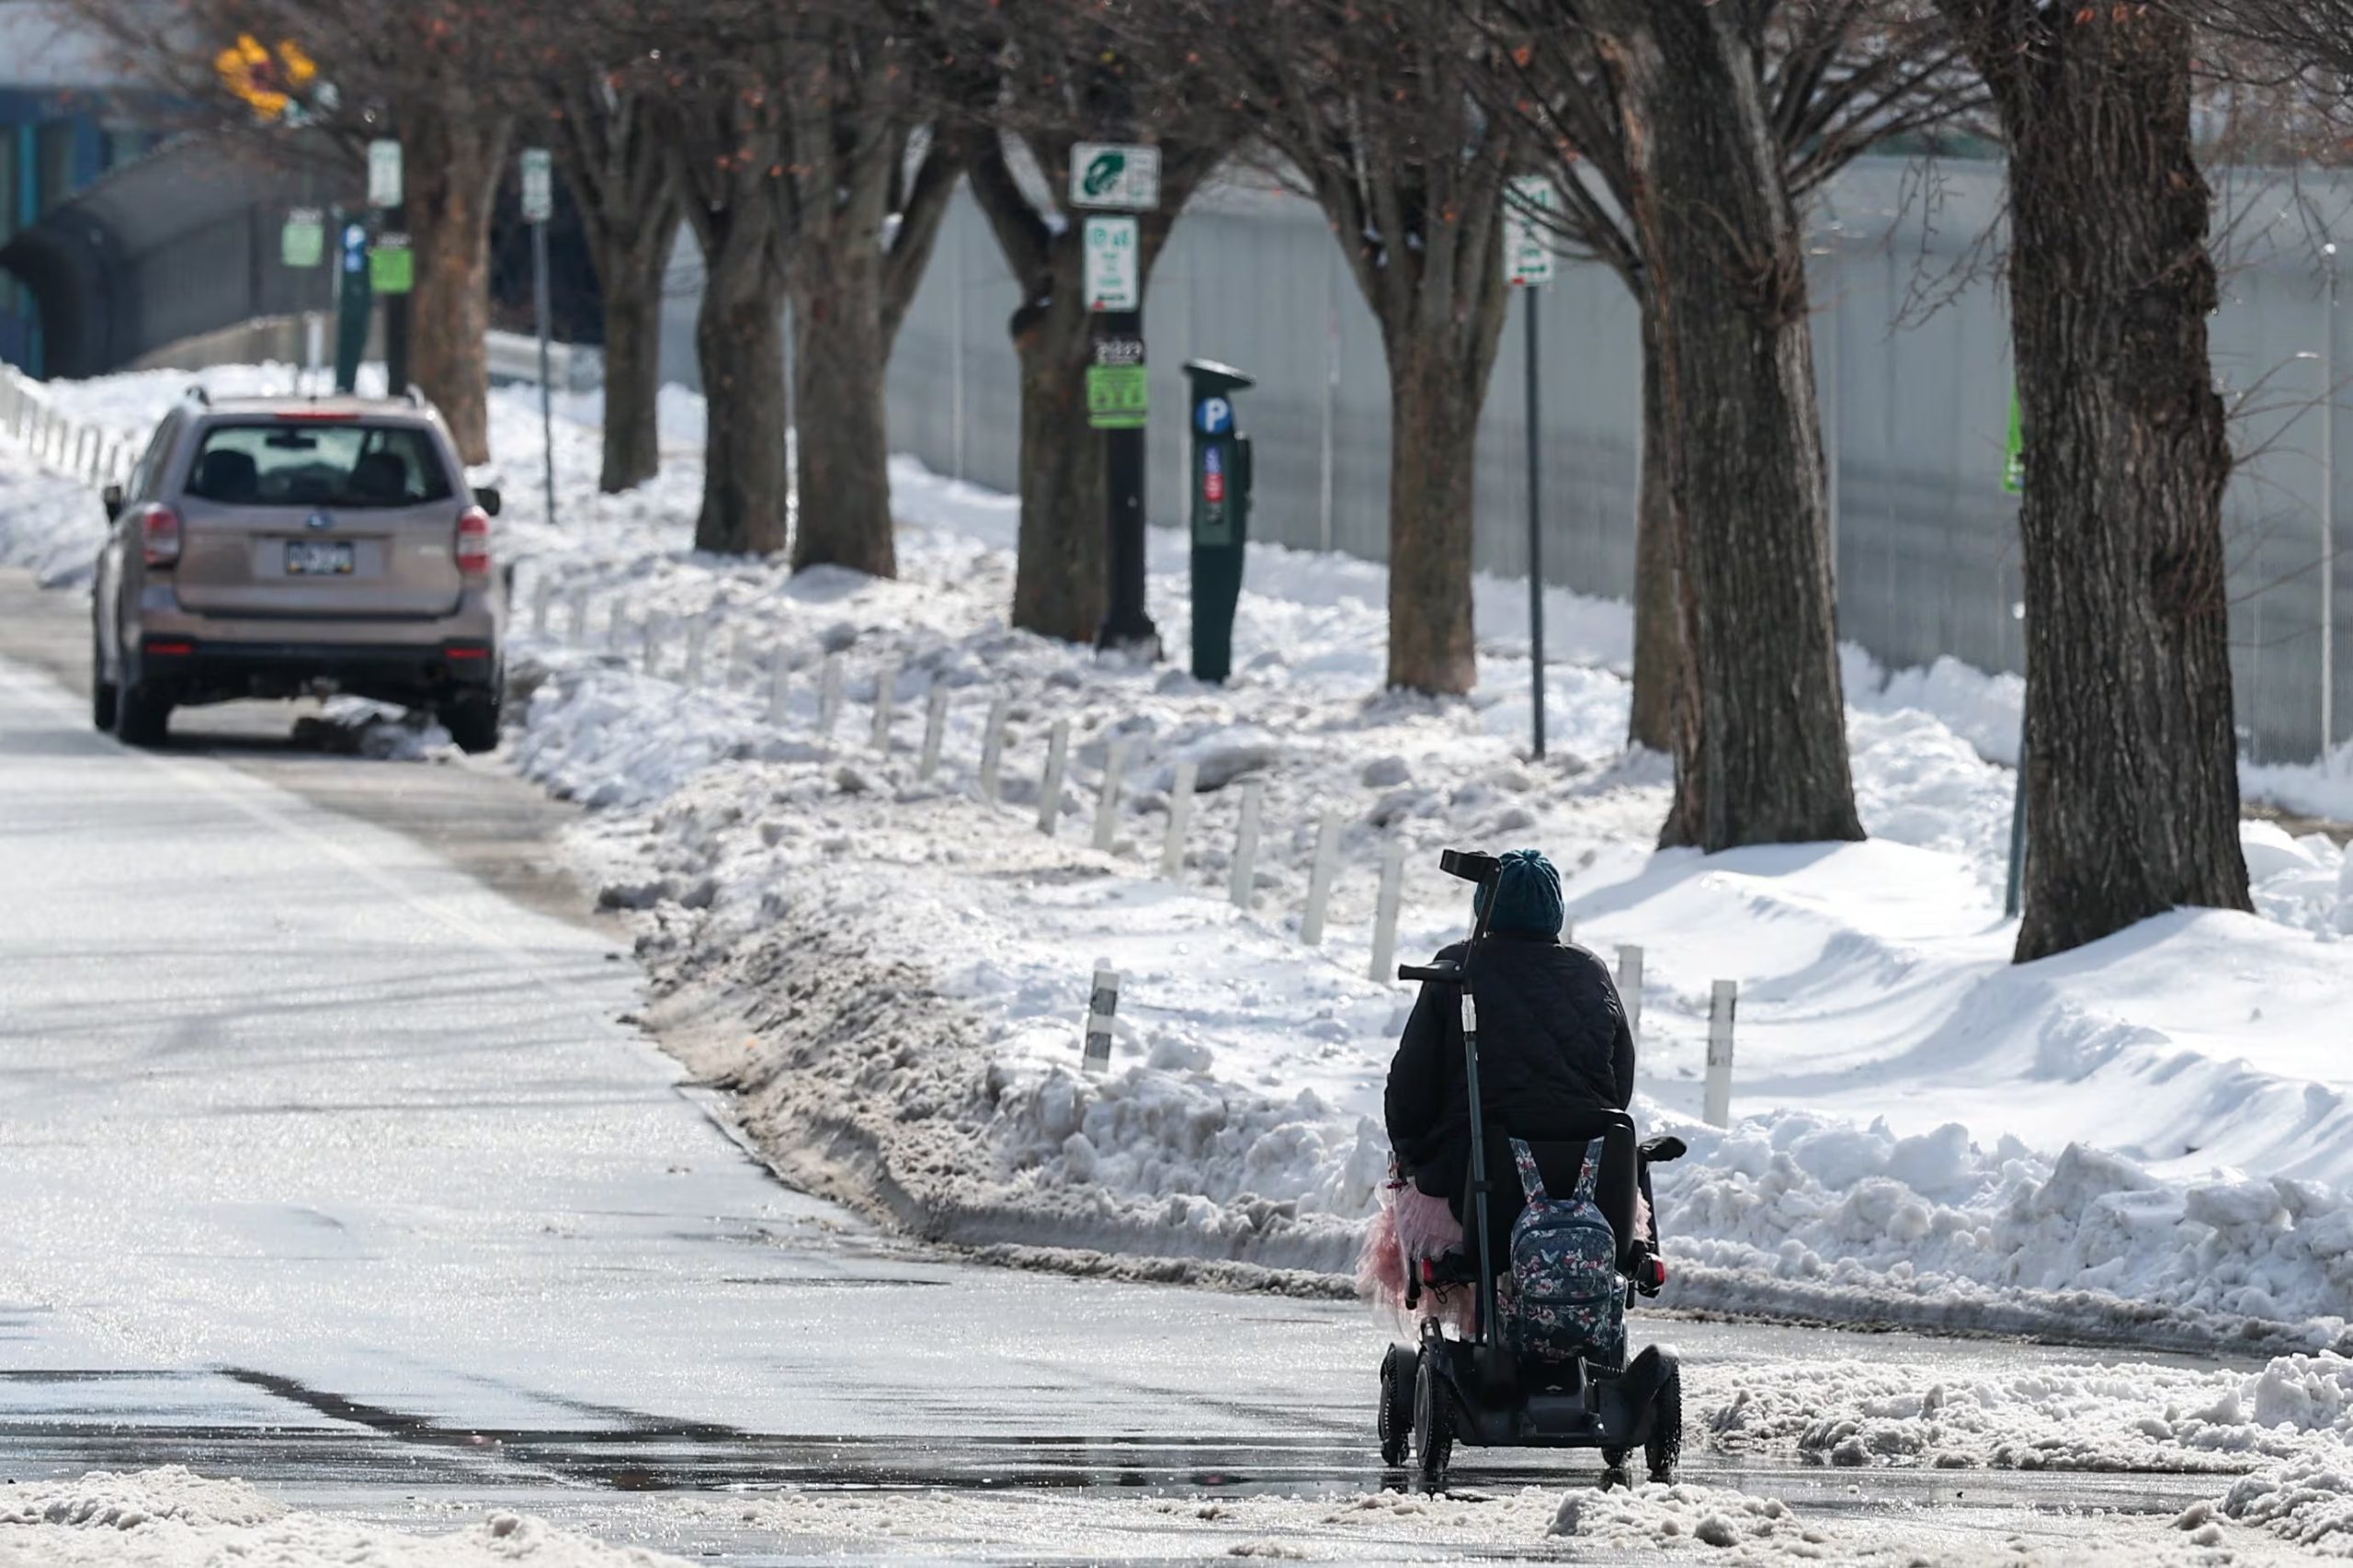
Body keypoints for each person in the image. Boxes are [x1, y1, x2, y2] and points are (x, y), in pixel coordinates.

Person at [1381, 848, 1651, 1268]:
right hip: (1587, 1180)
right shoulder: (1590, 970)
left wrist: (1412, 1156)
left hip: (1474, 1181)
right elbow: (1620, 1083)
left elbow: (1410, 1086)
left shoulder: (1458, 967)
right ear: (1555, 908)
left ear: (1485, 904)